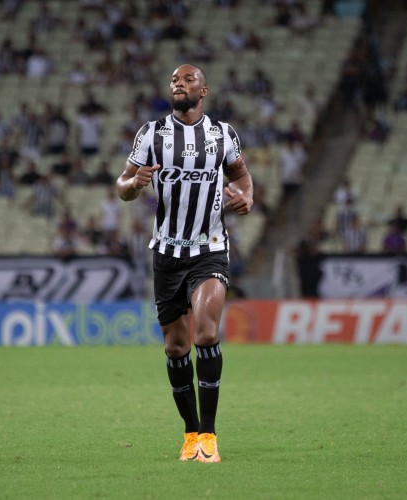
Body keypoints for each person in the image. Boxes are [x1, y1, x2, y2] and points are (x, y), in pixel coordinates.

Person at [116, 64, 253, 463]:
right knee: (176, 347)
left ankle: (209, 437)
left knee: (206, 335)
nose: (179, 83)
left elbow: (243, 179)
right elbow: (122, 185)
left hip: (209, 248)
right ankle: (190, 433)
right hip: (167, 254)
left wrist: (248, 198)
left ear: (204, 90)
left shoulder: (222, 134)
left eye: (188, 79)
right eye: (175, 80)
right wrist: (134, 184)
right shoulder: (152, 134)